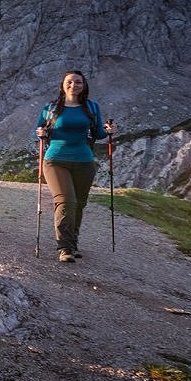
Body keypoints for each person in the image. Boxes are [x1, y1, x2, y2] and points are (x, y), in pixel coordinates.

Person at [35, 70, 114, 262]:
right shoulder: (51, 108)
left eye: (78, 82)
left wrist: (109, 131)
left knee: (79, 204)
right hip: (55, 159)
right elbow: (39, 131)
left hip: (85, 161)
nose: (74, 85)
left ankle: (73, 243)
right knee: (66, 201)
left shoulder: (92, 107)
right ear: (62, 85)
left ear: (84, 85)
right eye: (69, 82)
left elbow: (98, 134)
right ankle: (64, 247)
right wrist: (40, 133)